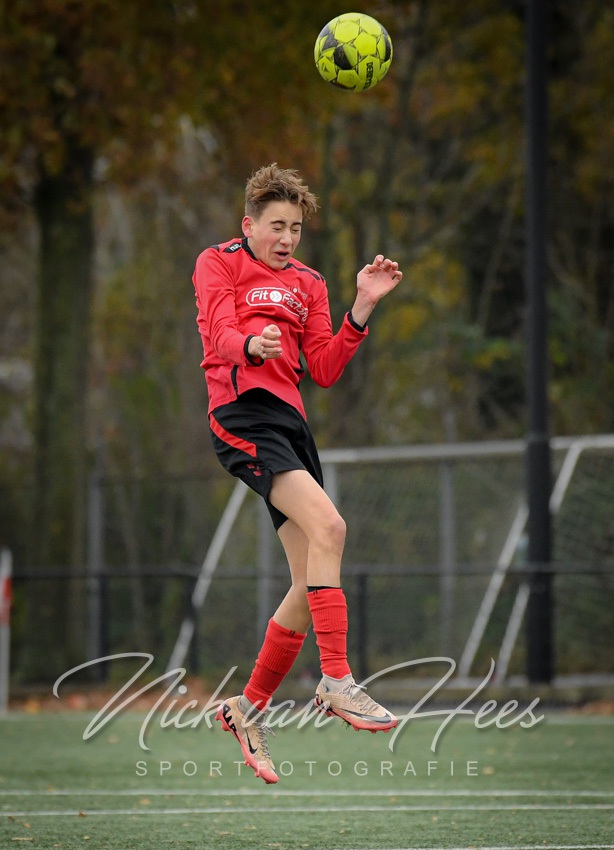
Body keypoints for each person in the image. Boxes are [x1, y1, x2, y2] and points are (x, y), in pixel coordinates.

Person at [192, 163, 403, 785]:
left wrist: (362, 308)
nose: (286, 238)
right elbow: (218, 332)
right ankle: (336, 679)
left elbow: (325, 367)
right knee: (331, 528)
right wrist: (248, 347)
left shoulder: (309, 282)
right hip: (242, 414)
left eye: (296, 228)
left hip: (291, 426)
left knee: (309, 578)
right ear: (249, 225)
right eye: (276, 226)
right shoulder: (218, 262)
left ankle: (246, 708)